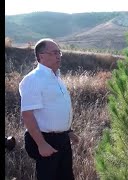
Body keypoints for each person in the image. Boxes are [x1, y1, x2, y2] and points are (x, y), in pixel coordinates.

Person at [19, 38, 79, 180]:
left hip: (62, 139)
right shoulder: (33, 79)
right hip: (46, 140)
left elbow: (54, 108)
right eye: (53, 53)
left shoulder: (56, 77)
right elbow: (27, 115)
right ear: (41, 56)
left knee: (66, 176)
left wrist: (68, 131)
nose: (58, 56)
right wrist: (42, 144)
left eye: (59, 52)